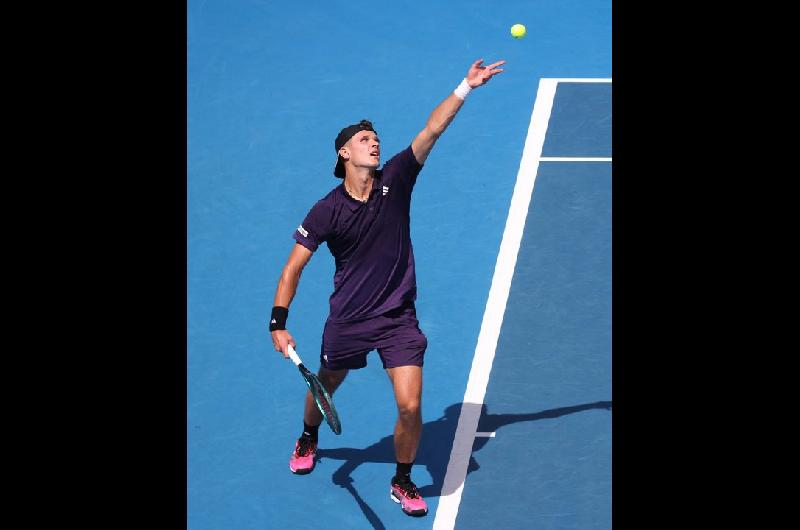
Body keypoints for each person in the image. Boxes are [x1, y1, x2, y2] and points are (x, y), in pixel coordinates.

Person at [269, 58, 505, 517]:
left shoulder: (395, 179)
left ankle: (402, 480)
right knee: (326, 385)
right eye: (363, 140)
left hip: (398, 318)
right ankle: (309, 435)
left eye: (375, 139)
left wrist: (466, 86)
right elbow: (291, 269)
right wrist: (278, 323)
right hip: (350, 320)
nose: (374, 143)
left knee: (411, 404)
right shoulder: (326, 210)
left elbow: (431, 131)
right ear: (344, 154)